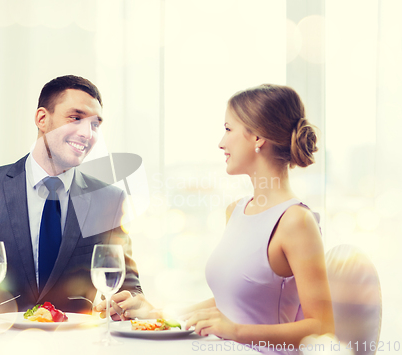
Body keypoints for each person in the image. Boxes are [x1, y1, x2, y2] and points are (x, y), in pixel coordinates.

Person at [96, 84, 334, 353]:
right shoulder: (235, 210)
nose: (221, 142)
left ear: (257, 137)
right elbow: (230, 302)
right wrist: (156, 313)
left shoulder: (296, 222)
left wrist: (236, 331)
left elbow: (322, 327)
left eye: (229, 129)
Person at [0, 75, 142, 327]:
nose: (87, 133)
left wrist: (129, 304)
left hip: (76, 345)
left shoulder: (109, 200)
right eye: (75, 117)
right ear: (42, 118)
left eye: (95, 124)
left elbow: (129, 288)